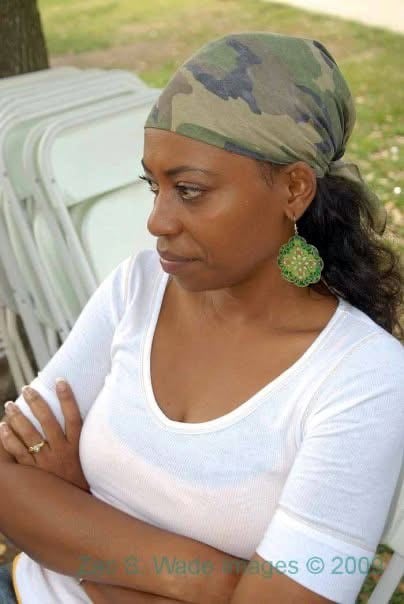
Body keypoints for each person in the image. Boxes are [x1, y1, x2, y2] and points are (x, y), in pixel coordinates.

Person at [0, 31, 403, 604]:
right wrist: (208, 580)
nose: (157, 221)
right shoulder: (138, 288)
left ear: (294, 188)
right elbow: (7, 472)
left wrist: (76, 521)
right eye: (154, 185)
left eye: (189, 190)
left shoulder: (361, 379)